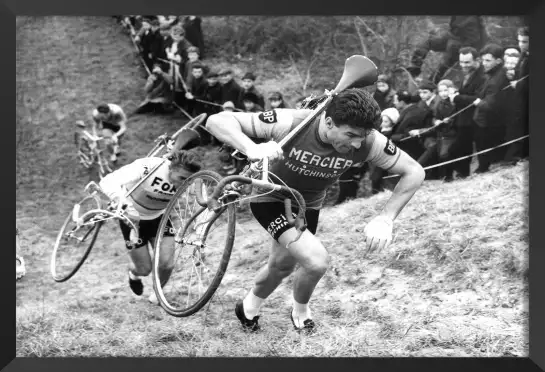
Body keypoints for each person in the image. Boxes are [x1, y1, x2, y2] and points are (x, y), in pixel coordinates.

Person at [206, 88, 425, 332]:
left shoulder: (368, 141)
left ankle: (248, 308)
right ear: (329, 122)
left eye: (363, 136)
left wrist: (386, 218)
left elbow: (414, 171)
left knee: (282, 266)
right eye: (351, 134)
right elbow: (216, 121)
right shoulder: (292, 123)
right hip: (270, 196)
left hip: (307, 204)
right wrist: (250, 147)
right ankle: (301, 313)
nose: (357, 144)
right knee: (316, 261)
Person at [98, 141, 202, 304]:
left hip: (159, 218)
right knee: (144, 269)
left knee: (167, 264)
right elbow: (107, 181)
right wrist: (120, 200)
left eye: (188, 181)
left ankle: (157, 294)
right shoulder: (149, 167)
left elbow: (203, 202)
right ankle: (133, 274)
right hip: (132, 219)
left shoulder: (188, 179)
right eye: (181, 178)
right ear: (171, 168)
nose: (183, 184)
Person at [407, 16, 488, 83]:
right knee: (427, 42)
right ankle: (414, 69)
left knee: (445, 61)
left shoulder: (472, 19)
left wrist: (463, 53)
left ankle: (431, 83)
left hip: (464, 44)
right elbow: (452, 28)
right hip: (453, 36)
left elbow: (474, 40)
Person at [448, 46, 486, 178]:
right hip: (464, 118)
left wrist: (457, 98)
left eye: (467, 62)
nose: (463, 65)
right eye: (461, 62)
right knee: (461, 147)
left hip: (476, 118)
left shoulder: (482, 75)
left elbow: (478, 98)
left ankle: (479, 171)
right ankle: (462, 172)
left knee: (478, 146)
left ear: (477, 60)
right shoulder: (468, 73)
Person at [472, 43, 510, 173]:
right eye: (483, 60)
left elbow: (490, 105)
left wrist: (477, 102)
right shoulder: (493, 74)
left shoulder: (496, 79)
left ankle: (482, 168)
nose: (484, 63)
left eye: (488, 60)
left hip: (488, 122)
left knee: (483, 147)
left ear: (498, 60)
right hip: (486, 121)